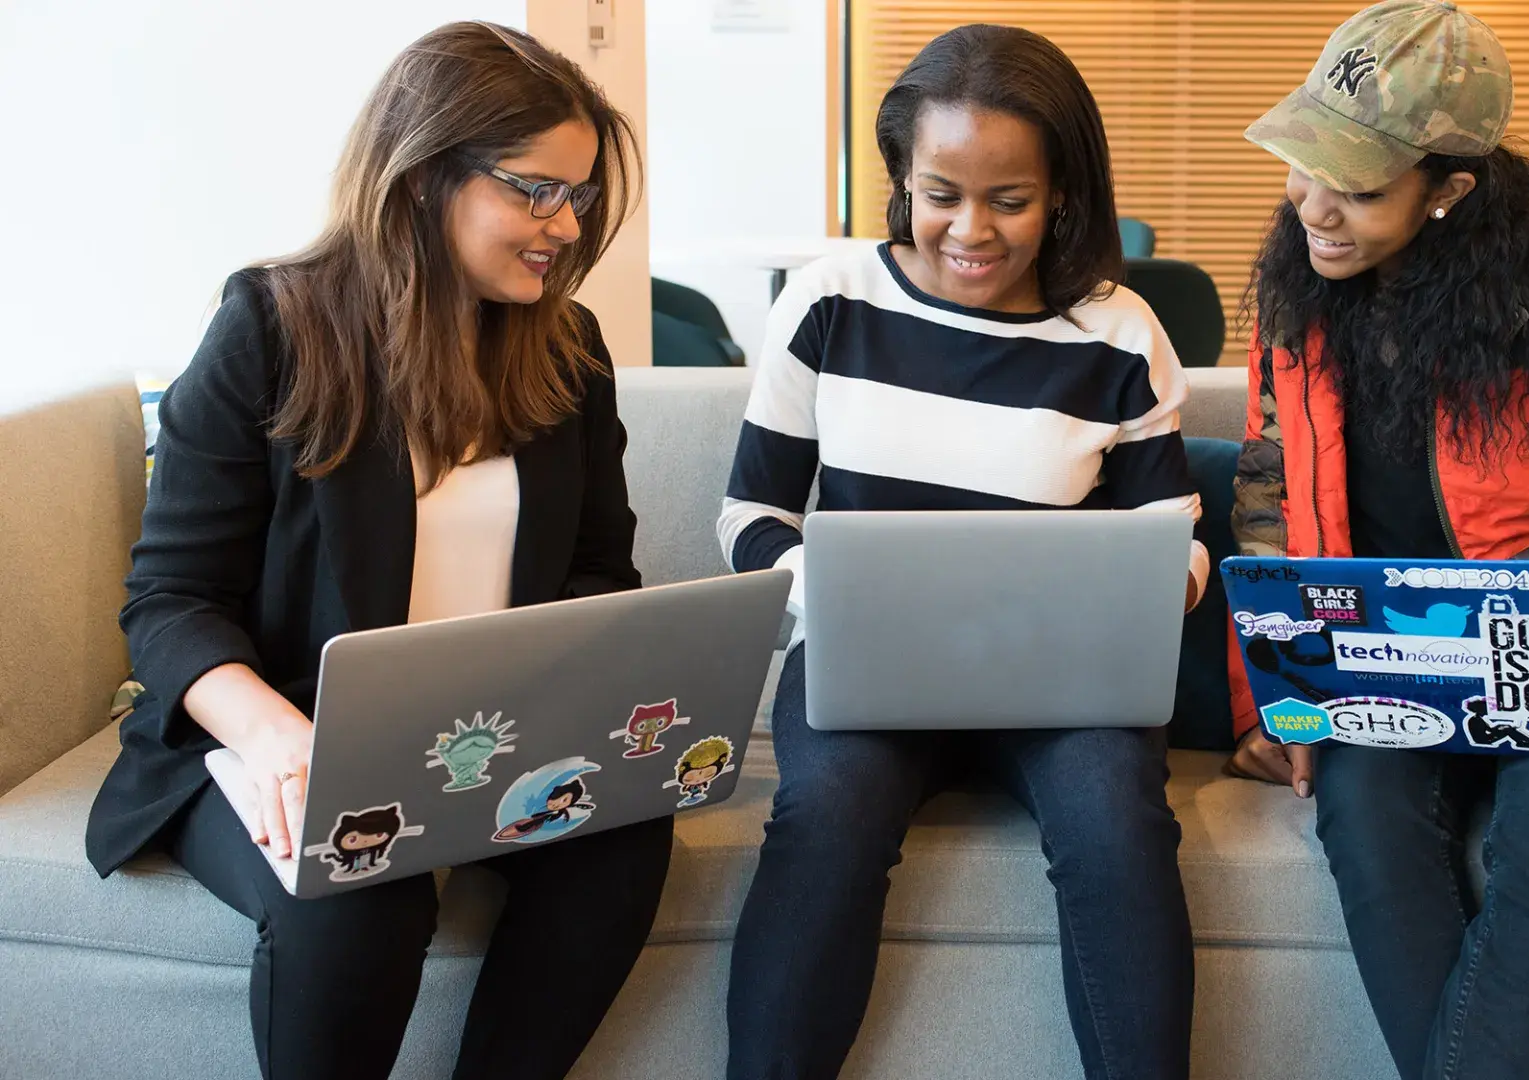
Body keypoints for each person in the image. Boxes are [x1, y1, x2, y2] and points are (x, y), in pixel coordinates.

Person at [85, 22, 669, 1080]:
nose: (565, 224)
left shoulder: (568, 350)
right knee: (367, 878)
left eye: (580, 196)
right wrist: (276, 740)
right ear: (422, 174)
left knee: (622, 843)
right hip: (278, 746)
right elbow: (169, 600)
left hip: (491, 742)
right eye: (536, 190)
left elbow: (598, 576)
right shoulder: (269, 326)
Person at [1224, 3, 1529, 1078]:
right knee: (1361, 810)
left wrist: (1504, 603)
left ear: (1449, 191)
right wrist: (1275, 700)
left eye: (1357, 187)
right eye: (1305, 165)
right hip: (1389, 667)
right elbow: (1269, 493)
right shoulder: (1294, 299)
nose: (1314, 206)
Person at [718, 24, 1206, 1080]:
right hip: (868, 666)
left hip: (1062, 680)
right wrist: (829, 591)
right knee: (825, 818)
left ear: (1065, 192)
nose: (970, 231)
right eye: (941, 193)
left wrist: (1162, 579)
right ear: (902, 180)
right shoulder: (831, 300)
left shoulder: (1119, 334)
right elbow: (751, 514)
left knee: (1119, 826)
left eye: (1010, 201)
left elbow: (1173, 531)